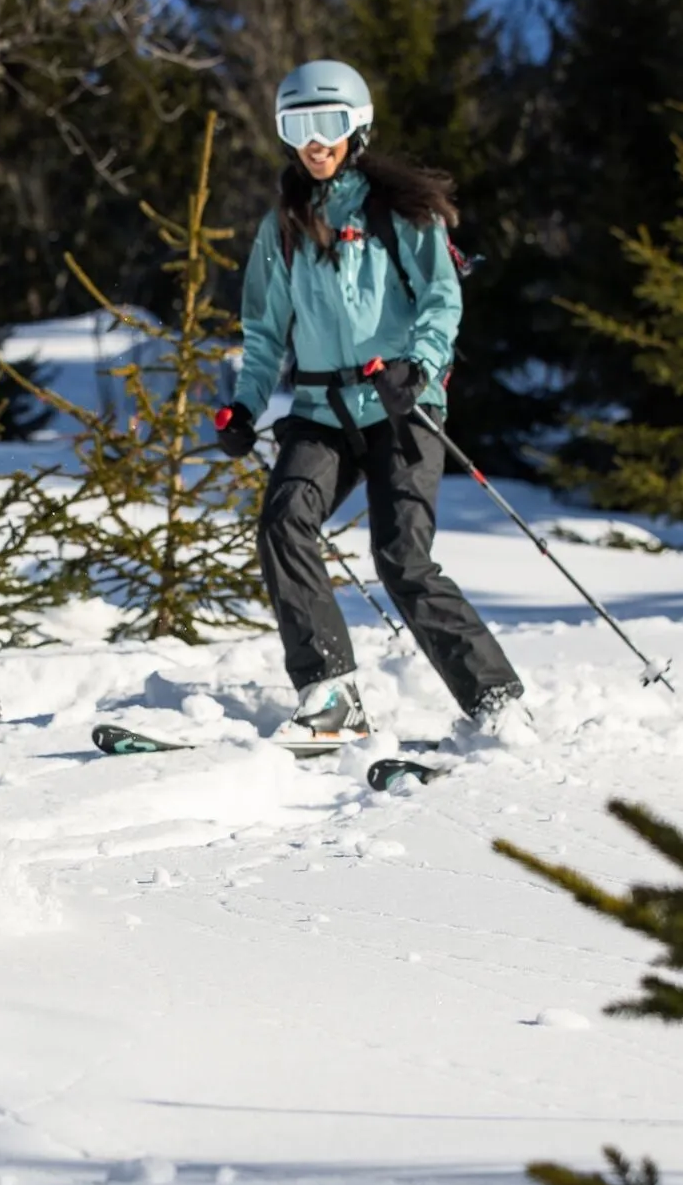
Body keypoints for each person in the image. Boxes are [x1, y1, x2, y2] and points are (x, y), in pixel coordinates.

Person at [214, 59, 525, 741]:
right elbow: (264, 331)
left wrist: (422, 366)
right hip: (321, 412)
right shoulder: (284, 227)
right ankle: (330, 694)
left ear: (357, 127)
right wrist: (244, 405)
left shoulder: (399, 212)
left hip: (401, 407)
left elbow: (443, 298)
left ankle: (496, 699)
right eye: (299, 125)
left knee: (401, 557)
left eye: (329, 123)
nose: (314, 141)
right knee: (283, 523)